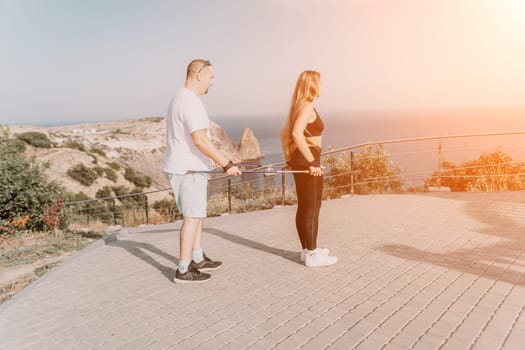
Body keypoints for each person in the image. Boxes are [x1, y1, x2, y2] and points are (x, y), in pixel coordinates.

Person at [164, 59, 242, 283]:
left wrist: (210, 161)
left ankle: (197, 259)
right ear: (198, 75)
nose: (212, 81)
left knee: (196, 216)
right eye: (210, 76)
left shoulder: (181, 98)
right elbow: (200, 140)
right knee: (192, 218)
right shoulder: (190, 101)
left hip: (190, 168)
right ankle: (183, 269)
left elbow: (193, 140)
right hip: (188, 171)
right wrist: (226, 163)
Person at [280, 70, 338, 267]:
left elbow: (283, 135)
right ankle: (312, 255)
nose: (322, 87)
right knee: (312, 207)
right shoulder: (307, 106)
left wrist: (290, 159)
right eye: (319, 83)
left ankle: (307, 250)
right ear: (313, 85)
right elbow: (296, 133)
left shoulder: (298, 106)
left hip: (300, 158)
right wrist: (312, 162)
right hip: (308, 159)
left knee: (305, 206)